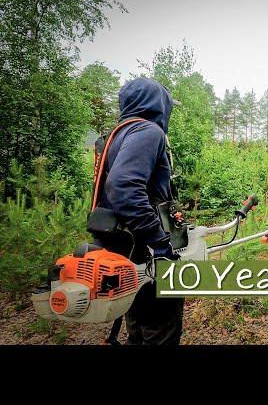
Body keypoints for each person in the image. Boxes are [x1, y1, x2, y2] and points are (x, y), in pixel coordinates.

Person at [92, 77, 184, 345]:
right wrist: (159, 240)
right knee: (160, 328)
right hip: (146, 253)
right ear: (157, 104)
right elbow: (123, 186)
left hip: (124, 249)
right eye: (168, 105)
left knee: (139, 325)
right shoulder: (148, 132)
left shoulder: (116, 135)